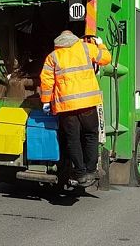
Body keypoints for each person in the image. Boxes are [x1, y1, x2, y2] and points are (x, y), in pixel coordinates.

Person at [40, 30, 111, 187]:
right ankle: (91, 170)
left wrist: (46, 101)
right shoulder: (86, 48)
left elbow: (46, 81)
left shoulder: (53, 56)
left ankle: (79, 174)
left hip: (66, 107)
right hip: (87, 104)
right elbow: (106, 58)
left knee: (73, 140)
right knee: (91, 135)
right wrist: (100, 43)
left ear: (59, 42)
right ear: (75, 39)